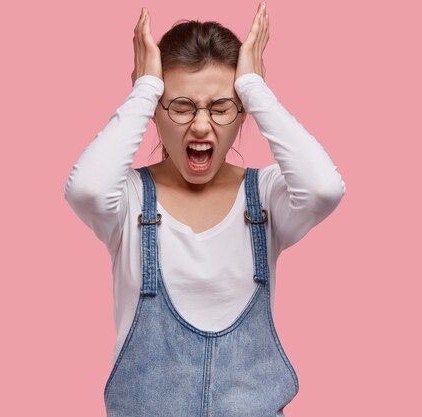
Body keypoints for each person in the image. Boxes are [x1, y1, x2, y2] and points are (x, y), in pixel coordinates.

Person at [64, 2, 346, 416]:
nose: (200, 126)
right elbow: (85, 189)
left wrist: (254, 87)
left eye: (220, 107)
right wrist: (144, 87)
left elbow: (324, 188)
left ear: (242, 110)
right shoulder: (129, 200)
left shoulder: (265, 199)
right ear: (155, 110)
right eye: (180, 106)